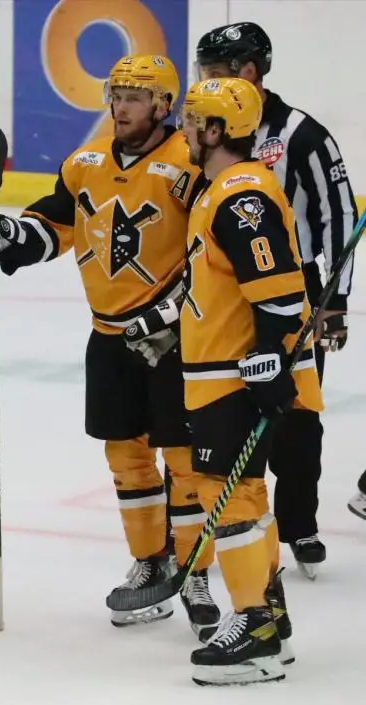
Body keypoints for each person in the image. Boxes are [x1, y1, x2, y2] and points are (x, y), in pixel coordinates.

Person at [0, 54, 220, 639]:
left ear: (163, 105)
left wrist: (172, 313)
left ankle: (196, 568)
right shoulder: (84, 163)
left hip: (175, 338)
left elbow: (211, 250)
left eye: (135, 96)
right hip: (108, 338)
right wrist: (9, 235)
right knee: (126, 458)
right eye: (116, 94)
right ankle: (151, 559)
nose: (120, 105)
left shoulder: (189, 163)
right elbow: (55, 225)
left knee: (183, 463)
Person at [156, 76, 323, 685]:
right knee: (236, 493)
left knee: (235, 496)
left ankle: (253, 627)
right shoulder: (216, 188)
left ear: (217, 130)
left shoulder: (239, 195)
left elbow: (278, 289)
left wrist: (269, 359)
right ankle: (267, 614)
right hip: (217, 369)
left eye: (193, 120)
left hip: (232, 374)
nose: (184, 129)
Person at [195, 22, 358, 579]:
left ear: (249, 71)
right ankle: (232, 522)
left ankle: (298, 522)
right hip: (221, 292)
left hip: (292, 291)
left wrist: (334, 300)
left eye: (217, 71)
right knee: (220, 412)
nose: (206, 83)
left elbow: (336, 215)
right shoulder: (205, 133)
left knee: (296, 412)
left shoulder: (301, 135)